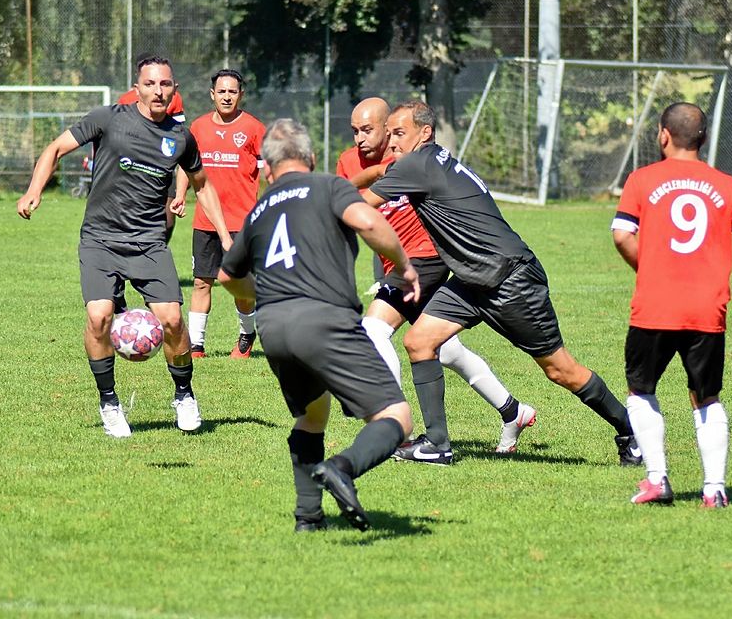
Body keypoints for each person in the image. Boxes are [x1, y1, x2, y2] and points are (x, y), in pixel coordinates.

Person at [362, 100, 641, 467]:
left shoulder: (418, 163)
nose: (392, 141)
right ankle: (437, 445)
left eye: (399, 133)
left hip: (509, 279)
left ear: (424, 133)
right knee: (419, 341)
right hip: (473, 278)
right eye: (390, 134)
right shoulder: (432, 159)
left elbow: (360, 206)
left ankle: (632, 432)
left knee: (561, 370)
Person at [217, 118, 420, 532]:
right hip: (324, 318)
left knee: (313, 412)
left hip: (273, 327)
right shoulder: (328, 185)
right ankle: (342, 468)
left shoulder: (261, 207)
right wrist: (404, 266)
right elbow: (368, 221)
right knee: (396, 415)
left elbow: (226, 277)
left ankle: (307, 517)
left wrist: (265, 297)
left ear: (268, 170)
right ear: (310, 158)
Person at [16, 55, 232, 438]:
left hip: (149, 242)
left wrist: (227, 236)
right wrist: (35, 191)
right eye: (149, 84)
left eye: (165, 84)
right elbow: (54, 149)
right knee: (99, 317)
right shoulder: (109, 118)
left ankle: (184, 395)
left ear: (174, 89)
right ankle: (109, 402)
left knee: (173, 321)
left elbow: (204, 186)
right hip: (100, 239)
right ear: (138, 87)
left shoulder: (180, 137)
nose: (157, 91)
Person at [338, 97, 537, 463]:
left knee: (374, 330)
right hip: (398, 261)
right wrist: (374, 172)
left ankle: (399, 430)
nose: (360, 138)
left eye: (368, 130)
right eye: (354, 131)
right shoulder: (352, 161)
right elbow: (348, 197)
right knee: (444, 350)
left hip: (424, 259)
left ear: (389, 128)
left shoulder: (413, 158)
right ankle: (512, 410)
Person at [611, 102, 732, 508]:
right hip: (706, 310)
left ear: (663, 135)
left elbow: (622, 234)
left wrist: (651, 269)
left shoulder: (643, 180)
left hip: (654, 306)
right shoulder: (728, 185)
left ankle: (657, 479)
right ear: (702, 138)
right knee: (706, 397)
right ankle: (714, 488)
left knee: (640, 389)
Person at [176, 68, 266, 359]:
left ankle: (245, 335)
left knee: (238, 284)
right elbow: (186, 166)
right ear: (212, 94)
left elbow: (270, 170)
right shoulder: (199, 128)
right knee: (202, 281)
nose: (227, 97)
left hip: (242, 222)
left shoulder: (254, 128)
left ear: (241, 94)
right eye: (222, 91)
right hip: (205, 222)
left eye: (232, 91)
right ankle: (196, 345)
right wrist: (180, 195)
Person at [117, 75, 187, 243]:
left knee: (168, 221)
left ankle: (158, 248)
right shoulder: (125, 99)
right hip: (135, 169)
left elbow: (178, 131)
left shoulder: (174, 98)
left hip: (164, 167)